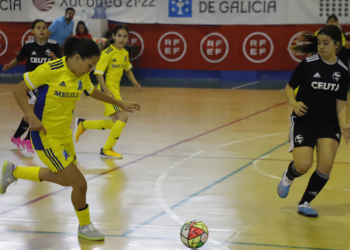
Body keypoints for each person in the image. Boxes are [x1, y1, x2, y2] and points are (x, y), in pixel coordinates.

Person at [0, 38, 140, 240]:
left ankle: (15, 171)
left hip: (64, 135)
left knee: (67, 180)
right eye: (90, 65)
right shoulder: (51, 69)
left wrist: (120, 103)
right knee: (80, 184)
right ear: (76, 58)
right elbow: (18, 89)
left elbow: (93, 92)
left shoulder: (81, 75)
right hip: (46, 137)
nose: (90, 70)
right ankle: (85, 227)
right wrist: (30, 116)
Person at [277, 25, 350, 217]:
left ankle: (305, 202)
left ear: (336, 45)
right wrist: (293, 103)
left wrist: (344, 126)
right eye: (319, 43)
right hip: (304, 121)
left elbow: (341, 103)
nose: (321, 47)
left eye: (326, 43)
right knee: (303, 165)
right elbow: (288, 88)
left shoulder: (343, 71)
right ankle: (289, 175)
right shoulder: (308, 63)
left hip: (329, 124)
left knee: (325, 166)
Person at [74, 24, 141, 159]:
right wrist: (106, 90)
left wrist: (134, 82)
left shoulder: (124, 53)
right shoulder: (107, 53)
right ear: (114, 37)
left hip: (116, 91)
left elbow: (127, 69)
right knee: (123, 117)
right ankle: (107, 149)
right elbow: (98, 73)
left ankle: (84, 124)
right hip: (108, 91)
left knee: (117, 122)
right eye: (119, 36)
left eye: (125, 36)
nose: (122, 39)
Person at [2, 19, 61, 153]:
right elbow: (19, 59)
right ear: (32, 31)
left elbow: (61, 63)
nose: (41, 30)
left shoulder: (54, 45)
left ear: (47, 31)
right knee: (37, 110)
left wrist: (55, 59)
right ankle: (28, 139)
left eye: (44, 27)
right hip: (31, 83)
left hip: (46, 83)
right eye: (38, 27)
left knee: (35, 111)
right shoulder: (28, 46)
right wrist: (11, 64)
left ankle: (16, 137)